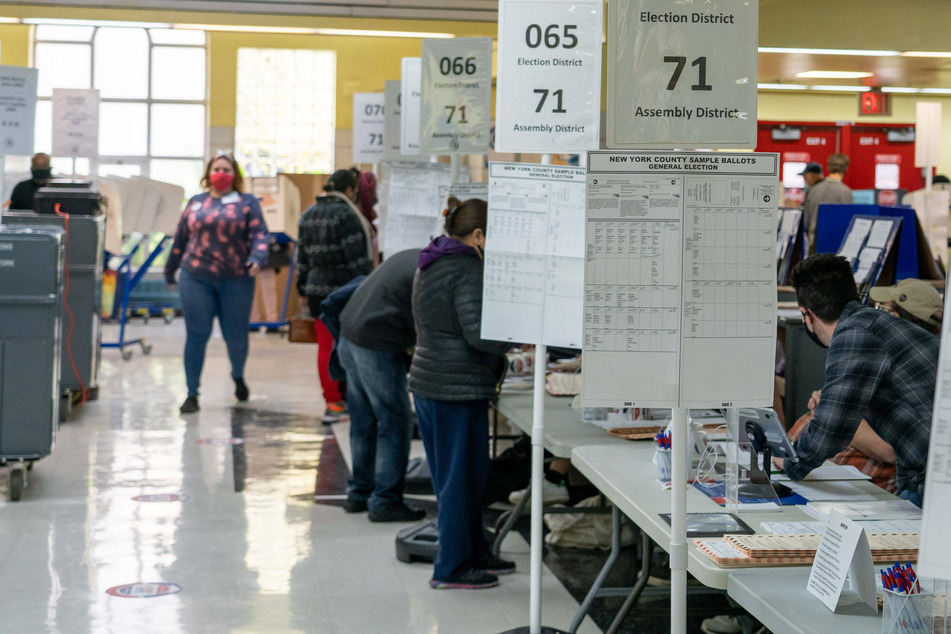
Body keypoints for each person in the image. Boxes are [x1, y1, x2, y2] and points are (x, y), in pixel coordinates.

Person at [409, 196, 513, 590]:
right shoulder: (466, 268)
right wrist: (517, 336)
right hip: (454, 388)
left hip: (434, 383)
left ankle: (475, 551)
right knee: (460, 480)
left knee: (463, 477)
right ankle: (452, 566)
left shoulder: (432, 260)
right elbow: (479, 333)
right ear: (478, 235)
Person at [777, 254, 939, 506]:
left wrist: (789, 461)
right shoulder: (870, 324)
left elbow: (832, 428)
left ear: (807, 315)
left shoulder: (855, 333)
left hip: (937, 477)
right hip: (921, 472)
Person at [164, 153, 269, 414]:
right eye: (216, 168)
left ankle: (237, 376)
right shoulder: (196, 203)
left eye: (226, 169)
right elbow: (180, 238)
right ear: (208, 173)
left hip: (236, 279)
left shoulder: (248, 203)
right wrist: (170, 271)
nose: (221, 173)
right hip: (196, 276)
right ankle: (191, 394)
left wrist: (258, 256)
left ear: (235, 175)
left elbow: (260, 234)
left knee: (236, 336)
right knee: (197, 334)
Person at [336, 248, 425, 523]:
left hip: (349, 333)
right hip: (375, 343)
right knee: (395, 422)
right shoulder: (433, 272)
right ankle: (385, 501)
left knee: (363, 420)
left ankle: (359, 493)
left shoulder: (415, 256)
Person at [297, 169, 375, 423]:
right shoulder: (348, 216)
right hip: (346, 291)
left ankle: (332, 402)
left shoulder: (307, 215)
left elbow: (302, 260)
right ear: (350, 190)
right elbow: (358, 261)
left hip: (316, 292)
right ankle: (349, 396)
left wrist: (302, 290)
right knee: (349, 345)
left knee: (325, 347)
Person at [801, 154, 853, 255]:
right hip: (836, 247)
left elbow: (805, 221)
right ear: (846, 168)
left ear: (828, 167)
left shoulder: (813, 190)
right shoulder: (846, 192)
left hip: (814, 246)